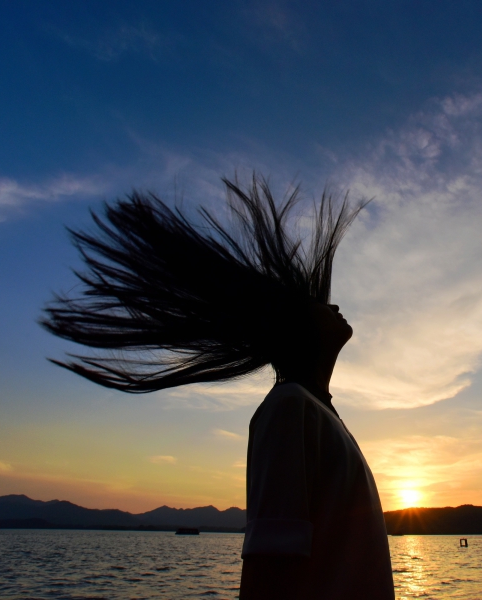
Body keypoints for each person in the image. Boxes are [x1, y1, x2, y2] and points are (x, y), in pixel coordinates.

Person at [41, 176, 395, 599]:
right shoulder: (289, 408)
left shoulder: (318, 412)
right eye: (317, 303)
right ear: (294, 327)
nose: (333, 304)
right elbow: (270, 566)